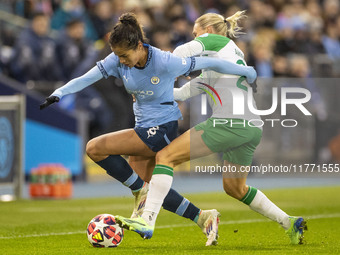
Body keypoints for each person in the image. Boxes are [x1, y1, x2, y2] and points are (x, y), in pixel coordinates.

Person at [40, 12, 257, 246]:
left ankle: (141, 192)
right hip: (143, 125)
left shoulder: (164, 60)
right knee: (152, 189)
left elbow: (209, 62)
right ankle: (203, 217)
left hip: (163, 126)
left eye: (124, 55)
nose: (121, 61)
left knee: (95, 148)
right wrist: (59, 93)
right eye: (117, 56)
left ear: (138, 46)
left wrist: (245, 71)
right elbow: (86, 78)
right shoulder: (116, 59)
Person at [116, 11, 307, 246]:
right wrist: (149, 95)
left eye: (196, 33)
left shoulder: (219, 40)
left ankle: (147, 220)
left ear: (207, 30)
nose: (195, 37)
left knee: (165, 156)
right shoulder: (223, 62)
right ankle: (290, 222)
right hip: (251, 127)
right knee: (235, 187)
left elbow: (181, 52)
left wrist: (170, 68)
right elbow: (183, 93)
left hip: (230, 122)